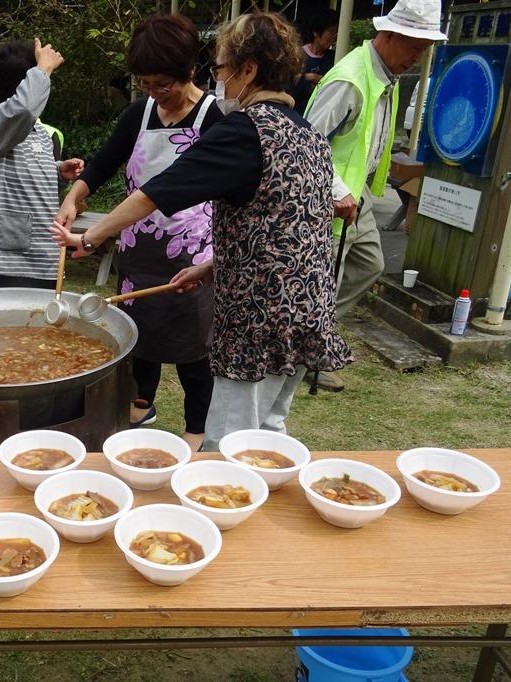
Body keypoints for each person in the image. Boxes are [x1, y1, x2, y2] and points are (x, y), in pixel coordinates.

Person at [52, 12, 351, 450]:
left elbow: (157, 192)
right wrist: (212, 266)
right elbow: (283, 230)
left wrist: (91, 236)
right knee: (268, 436)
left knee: (228, 448)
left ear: (249, 70)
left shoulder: (244, 131)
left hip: (258, 321)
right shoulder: (307, 133)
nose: (220, 78)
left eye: (223, 68)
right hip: (305, 315)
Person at [54, 14, 221, 451]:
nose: (155, 93)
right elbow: (105, 161)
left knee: (193, 352)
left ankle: (197, 429)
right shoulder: (139, 114)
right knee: (138, 339)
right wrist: (75, 196)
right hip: (138, 253)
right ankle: (141, 406)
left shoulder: (216, 116)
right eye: (146, 83)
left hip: (192, 256)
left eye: (163, 83)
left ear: (190, 70)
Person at [304, 0, 445, 392]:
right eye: (414, 47)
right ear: (390, 36)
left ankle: (313, 343)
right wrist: (336, 190)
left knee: (368, 266)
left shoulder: (385, 76)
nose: (418, 57)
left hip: (358, 192)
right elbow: (304, 143)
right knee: (324, 282)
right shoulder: (349, 79)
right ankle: (305, 356)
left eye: (424, 49)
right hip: (329, 199)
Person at [0, 38, 84, 289]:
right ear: (27, 85)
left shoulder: (38, 130)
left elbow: (26, 169)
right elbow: (21, 111)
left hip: (45, 248)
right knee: (15, 325)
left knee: (44, 326)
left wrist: (58, 171)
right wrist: (42, 69)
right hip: (11, 254)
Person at [290, 9, 338, 115]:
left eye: (336, 32)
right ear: (316, 32)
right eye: (331, 31)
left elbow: (333, 87)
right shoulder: (297, 56)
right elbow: (292, 86)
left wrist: (313, 78)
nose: (334, 36)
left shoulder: (334, 58)